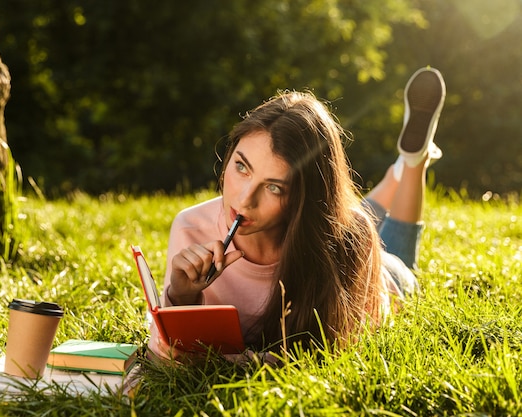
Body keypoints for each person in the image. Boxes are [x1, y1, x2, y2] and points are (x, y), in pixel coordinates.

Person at [148, 67, 446, 357]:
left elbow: (346, 349)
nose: (244, 199)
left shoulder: (350, 238)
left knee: (388, 242)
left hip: (387, 275)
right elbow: (163, 355)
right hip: (331, 218)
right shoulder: (191, 227)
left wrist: (246, 364)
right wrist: (181, 295)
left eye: (274, 187)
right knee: (352, 214)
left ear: (305, 196)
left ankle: (412, 161)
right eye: (241, 167)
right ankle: (395, 173)